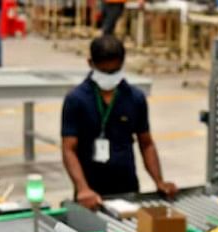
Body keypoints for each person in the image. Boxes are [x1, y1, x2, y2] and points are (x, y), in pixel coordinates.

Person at [61, 36, 177, 209]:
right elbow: (69, 149)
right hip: (90, 193)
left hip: (127, 188)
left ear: (122, 64)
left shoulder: (135, 98)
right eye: (104, 72)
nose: (110, 76)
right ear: (90, 63)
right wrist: (83, 188)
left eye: (114, 71)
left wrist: (159, 181)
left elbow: (146, 144)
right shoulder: (76, 100)